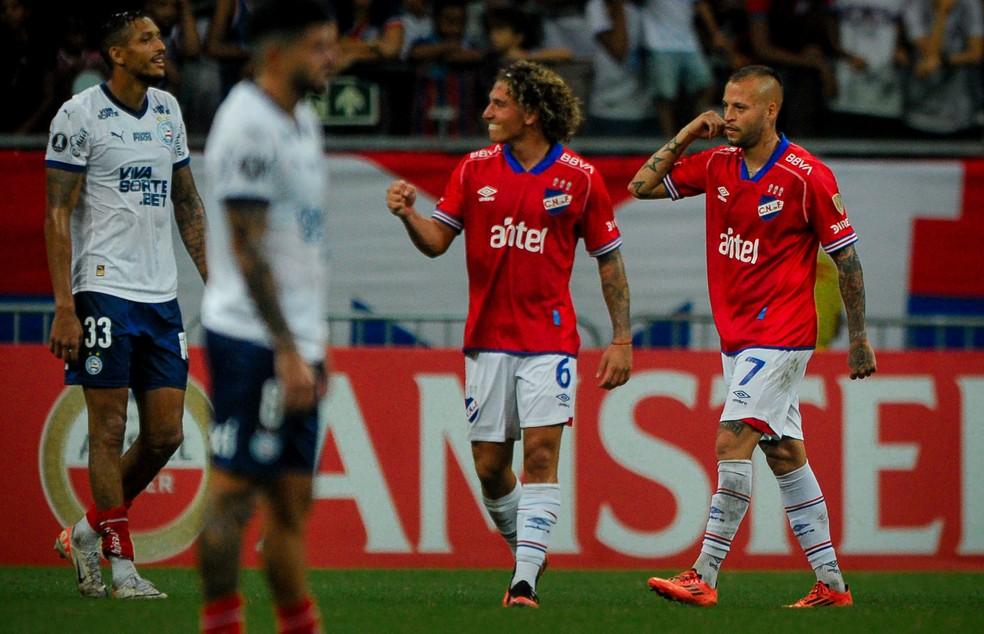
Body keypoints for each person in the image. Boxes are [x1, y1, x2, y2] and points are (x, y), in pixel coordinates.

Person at [628, 64, 877, 608]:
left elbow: (848, 260)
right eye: (726, 104)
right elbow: (640, 187)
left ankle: (704, 573)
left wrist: (858, 337)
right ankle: (832, 585)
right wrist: (687, 134)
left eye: (740, 107)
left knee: (730, 440)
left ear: (771, 110)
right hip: (738, 337)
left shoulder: (806, 176)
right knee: (784, 453)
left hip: (782, 334)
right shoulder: (718, 163)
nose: (729, 115)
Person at [386, 59, 632, 608]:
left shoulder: (580, 177)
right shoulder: (473, 170)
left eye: (498, 103)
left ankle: (523, 582)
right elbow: (436, 242)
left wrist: (621, 338)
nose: (486, 112)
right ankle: (530, 549)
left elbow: (609, 260)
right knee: (490, 468)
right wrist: (407, 215)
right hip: (488, 340)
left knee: (541, 456)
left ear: (531, 113)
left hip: (550, 340)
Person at [45, 9, 207, 600]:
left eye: (160, 36)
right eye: (146, 39)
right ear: (117, 54)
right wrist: (66, 306)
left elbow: (187, 203)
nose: (161, 46)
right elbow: (57, 212)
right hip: (103, 290)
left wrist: (215, 282)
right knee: (109, 430)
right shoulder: (79, 116)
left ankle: (87, 533)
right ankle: (123, 569)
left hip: (161, 296)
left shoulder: (168, 112)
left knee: (165, 435)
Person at [196, 1, 337, 632]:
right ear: (277, 53)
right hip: (252, 340)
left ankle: (297, 622)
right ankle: (221, 621)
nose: (332, 59)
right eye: (319, 46)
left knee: (291, 500)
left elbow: (299, 245)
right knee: (233, 495)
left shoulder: (303, 119)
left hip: (297, 341)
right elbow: (247, 249)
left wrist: (312, 344)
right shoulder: (247, 124)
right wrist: (285, 347)